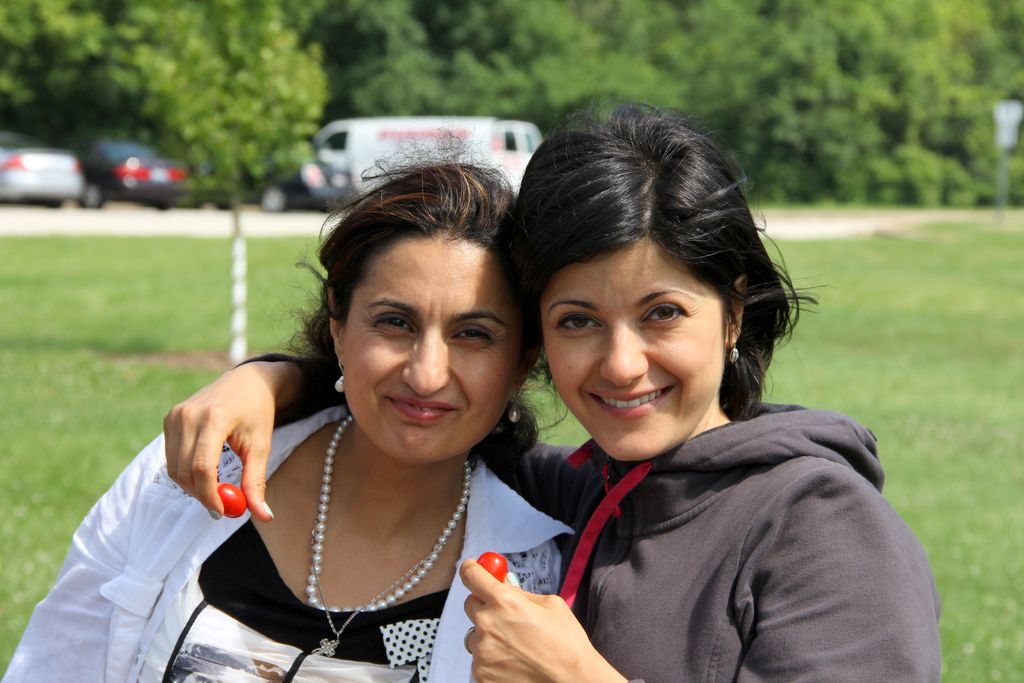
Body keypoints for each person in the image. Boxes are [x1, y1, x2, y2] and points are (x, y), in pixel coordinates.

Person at [148, 105, 941, 681]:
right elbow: (431, 404)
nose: (621, 364)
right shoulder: (574, 492)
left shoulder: (824, 526)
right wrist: (272, 379)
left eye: (662, 313)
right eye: (578, 320)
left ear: (733, 311)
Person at [4, 163, 570, 683]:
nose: (425, 374)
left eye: (473, 334)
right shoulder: (193, 472)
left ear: (522, 362)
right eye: (395, 322)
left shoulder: (535, 579)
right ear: (339, 325)